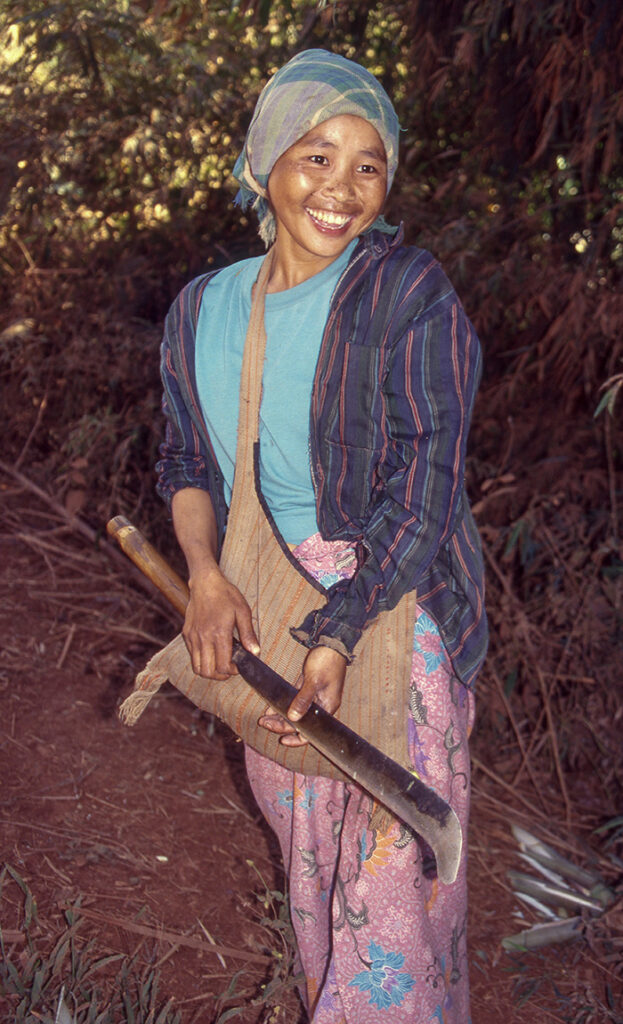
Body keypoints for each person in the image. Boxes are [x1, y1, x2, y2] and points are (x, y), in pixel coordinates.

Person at [156, 48, 487, 1024]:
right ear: (264, 162)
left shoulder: (405, 293)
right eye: (315, 156)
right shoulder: (201, 309)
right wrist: (206, 578)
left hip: (396, 595)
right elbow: (184, 460)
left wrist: (339, 631)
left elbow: (426, 483)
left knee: (389, 881)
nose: (341, 190)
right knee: (309, 859)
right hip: (265, 592)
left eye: (366, 165)